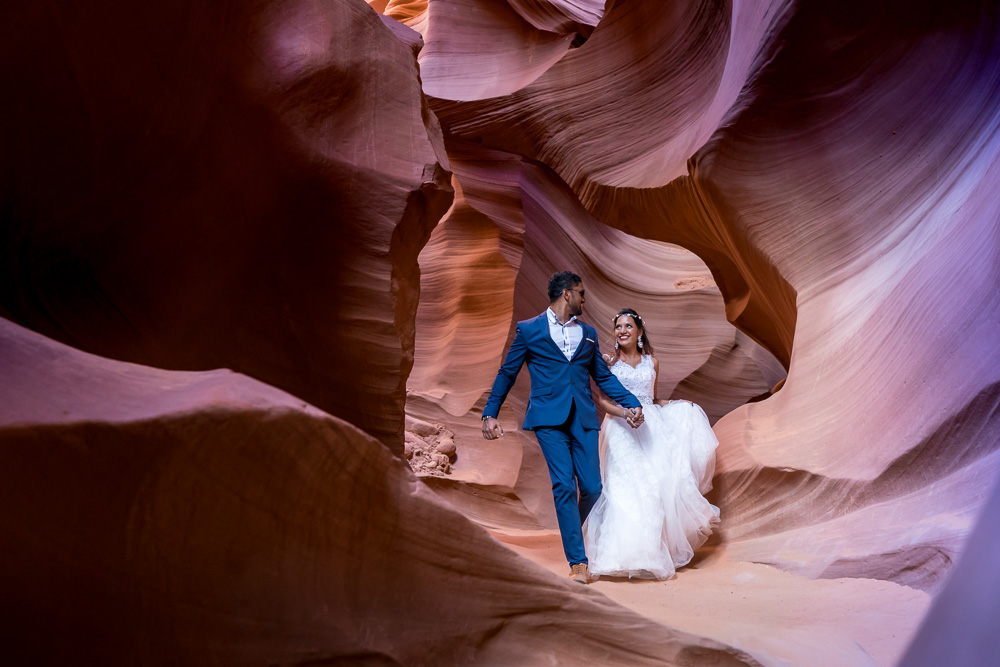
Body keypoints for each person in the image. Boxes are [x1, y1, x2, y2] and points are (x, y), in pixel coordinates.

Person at [482, 271, 644, 584]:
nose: (585, 299)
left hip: (583, 417)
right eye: (581, 293)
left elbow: (603, 376)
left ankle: (573, 531)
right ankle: (578, 562)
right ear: (567, 294)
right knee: (564, 486)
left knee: (594, 489)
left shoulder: (589, 333)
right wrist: (490, 412)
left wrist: (632, 402)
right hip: (547, 419)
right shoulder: (529, 330)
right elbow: (507, 373)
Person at [583, 308, 721, 580]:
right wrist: (625, 413)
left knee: (656, 487)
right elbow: (603, 401)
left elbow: (652, 399)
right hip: (620, 429)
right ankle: (617, 556)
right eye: (618, 327)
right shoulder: (609, 363)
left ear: (639, 332)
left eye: (628, 326)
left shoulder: (652, 363)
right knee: (626, 488)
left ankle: (650, 553)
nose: (622, 331)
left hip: (650, 426)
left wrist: (679, 405)